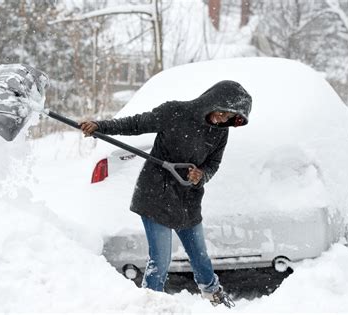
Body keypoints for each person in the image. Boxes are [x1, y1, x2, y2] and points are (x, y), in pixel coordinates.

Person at [80, 80, 252, 308]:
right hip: (156, 194)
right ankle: (150, 304)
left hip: (187, 200)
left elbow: (214, 163)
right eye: (222, 113)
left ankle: (213, 296)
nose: (223, 120)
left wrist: (201, 175)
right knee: (160, 260)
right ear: (211, 101)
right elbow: (135, 124)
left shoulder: (220, 133)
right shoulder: (175, 112)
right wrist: (100, 126)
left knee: (200, 257)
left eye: (229, 118)